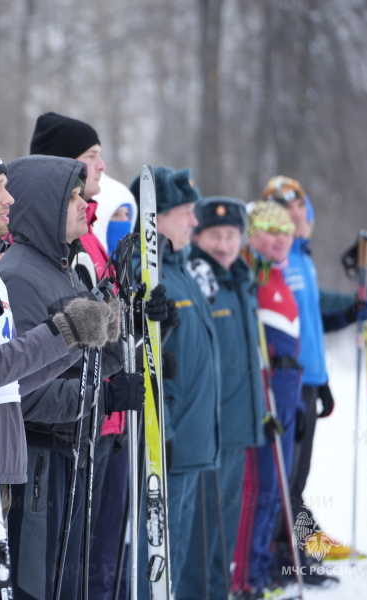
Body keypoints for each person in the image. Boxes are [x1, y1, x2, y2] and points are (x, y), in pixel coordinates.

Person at [0, 154, 144, 600]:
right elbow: (23, 393)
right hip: (40, 459)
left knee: (68, 581)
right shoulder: (20, 275)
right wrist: (102, 399)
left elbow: (93, 357)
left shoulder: (61, 269)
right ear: (45, 207)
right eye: (74, 197)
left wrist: (129, 327)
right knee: (39, 583)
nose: (86, 205)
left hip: (70, 451)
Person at [29, 113, 131, 599]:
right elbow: (38, 371)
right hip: (60, 438)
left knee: (96, 559)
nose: (102, 167)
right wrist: (103, 394)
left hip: (95, 428)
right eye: (91, 158)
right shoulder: (38, 258)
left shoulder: (82, 246)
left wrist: (138, 322)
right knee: (64, 571)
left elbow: (97, 341)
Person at [263, 176, 367, 573]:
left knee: (298, 474)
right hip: (287, 382)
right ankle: (287, 549)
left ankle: (304, 544)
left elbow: (315, 312)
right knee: (285, 473)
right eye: (286, 210)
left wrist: (352, 309)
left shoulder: (302, 258)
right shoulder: (278, 259)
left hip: (309, 379)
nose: (296, 217)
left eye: (300, 208)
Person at [130, 166, 221, 599]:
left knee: (179, 555)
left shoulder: (183, 270)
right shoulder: (144, 270)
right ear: (156, 218)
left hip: (193, 442)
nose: (193, 221)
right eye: (185, 212)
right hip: (170, 440)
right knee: (158, 559)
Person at [180, 197, 267, 600]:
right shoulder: (199, 280)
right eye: (215, 235)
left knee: (224, 533)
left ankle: (220, 593)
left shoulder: (242, 280)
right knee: (202, 535)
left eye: (231, 235)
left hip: (238, 428)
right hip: (209, 431)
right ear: (197, 235)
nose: (224, 244)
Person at [231, 200, 303, 598]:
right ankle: (245, 577)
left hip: (288, 391)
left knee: (278, 486)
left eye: (287, 232)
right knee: (259, 487)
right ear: (254, 233)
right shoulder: (254, 272)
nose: (281, 239)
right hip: (265, 392)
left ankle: (260, 570)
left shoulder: (281, 274)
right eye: (272, 231)